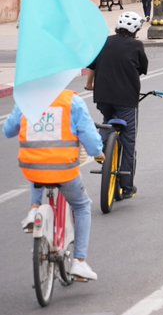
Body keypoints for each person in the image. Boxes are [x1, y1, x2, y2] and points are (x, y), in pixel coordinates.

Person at [6, 88, 103, 281]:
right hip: (63, 170)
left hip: (32, 168)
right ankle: (79, 261)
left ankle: (34, 209)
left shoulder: (27, 99)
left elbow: (8, 130)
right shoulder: (72, 101)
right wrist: (98, 152)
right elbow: (91, 141)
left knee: (39, 169)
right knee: (82, 206)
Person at [85, 11, 149, 199]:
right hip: (127, 99)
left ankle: (102, 148)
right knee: (129, 140)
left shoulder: (104, 42)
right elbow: (142, 68)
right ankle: (127, 187)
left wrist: (89, 85)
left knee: (108, 120)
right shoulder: (136, 45)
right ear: (136, 30)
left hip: (103, 97)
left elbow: (93, 66)